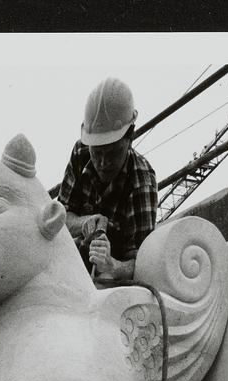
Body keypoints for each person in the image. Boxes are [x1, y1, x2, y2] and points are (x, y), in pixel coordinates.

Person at [57, 78, 157, 283]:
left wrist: (112, 265)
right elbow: (61, 216)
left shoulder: (141, 182)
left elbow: (143, 262)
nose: (102, 163)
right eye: (97, 153)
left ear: (130, 137)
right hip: (71, 262)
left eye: (111, 154)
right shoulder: (81, 151)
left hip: (114, 281)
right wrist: (83, 222)